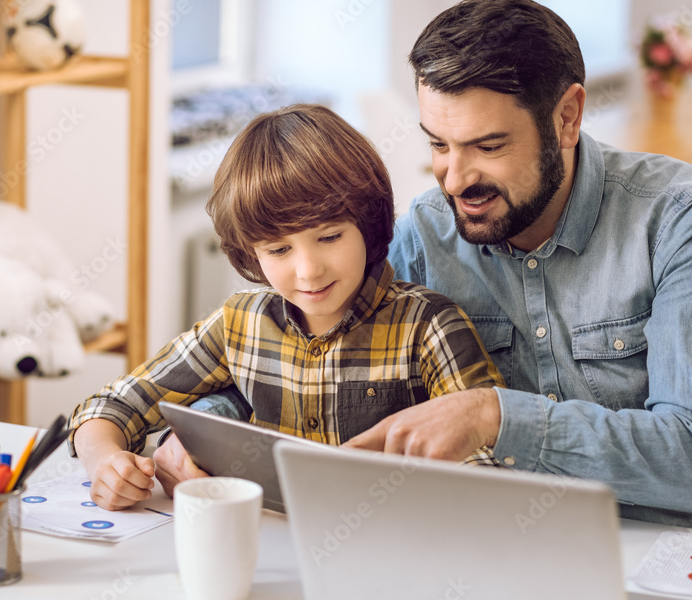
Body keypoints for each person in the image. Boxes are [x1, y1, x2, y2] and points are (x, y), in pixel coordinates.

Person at [155, 0, 692, 541]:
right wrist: (214, 432)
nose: (455, 181)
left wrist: (492, 415)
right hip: (516, 552)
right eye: (437, 144)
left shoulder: (690, 221)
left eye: (488, 147)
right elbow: (319, 360)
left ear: (567, 118)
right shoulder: (428, 234)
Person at [68, 104, 505, 510]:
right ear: (249, 253)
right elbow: (111, 405)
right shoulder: (241, 322)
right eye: (278, 250)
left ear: (368, 224)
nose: (308, 271)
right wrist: (105, 462)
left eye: (330, 237)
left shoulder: (428, 326)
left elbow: (492, 471)